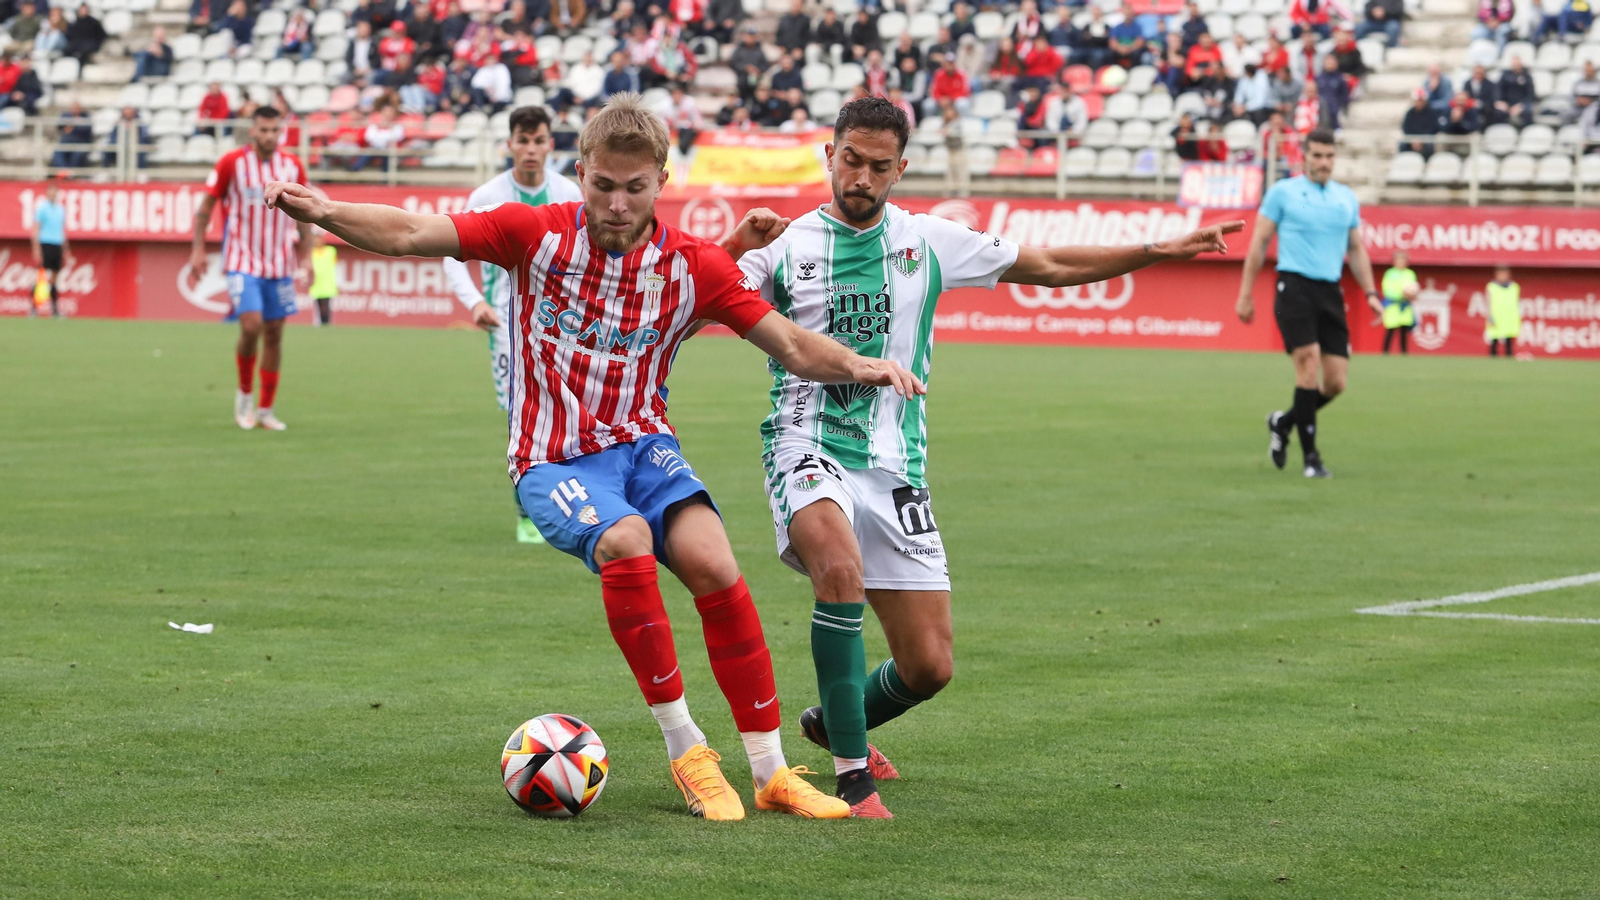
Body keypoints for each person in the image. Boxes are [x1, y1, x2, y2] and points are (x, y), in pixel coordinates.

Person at [264, 94, 924, 822]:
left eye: (634, 188)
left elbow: (794, 344)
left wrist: (859, 364)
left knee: (715, 563)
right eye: (602, 185)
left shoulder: (693, 264)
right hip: (553, 461)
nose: (616, 203)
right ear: (579, 173)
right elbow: (412, 232)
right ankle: (687, 750)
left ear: (660, 181)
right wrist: (325, 211)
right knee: (627, 542)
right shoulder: (531, 233)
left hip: (646, 451)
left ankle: (770, 770)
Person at [732, 97, 1241, 818]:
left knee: (930, 666)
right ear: (830, 154)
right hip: (806, 443)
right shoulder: (785, 246)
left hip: (895, 462)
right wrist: (731, 240)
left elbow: (1052, 263)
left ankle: (833, 721)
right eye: (852, 160)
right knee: (838, 571)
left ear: (900, 169)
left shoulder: (928, 240)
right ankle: (852, 779)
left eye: (880, 167)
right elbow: (703, 293)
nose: (863, 177)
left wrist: (1159, 249)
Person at [440, 106, 582, 544]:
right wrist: (475, 301)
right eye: (523, 141)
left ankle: (574, 500)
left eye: (539, 141)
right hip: (505, 325)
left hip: (561, 325)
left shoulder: (569, 193)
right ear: (510, 145)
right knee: (521, 416)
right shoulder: (487, 195)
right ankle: (526, 513)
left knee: (570, 412)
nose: (531, 150)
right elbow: (450, 251)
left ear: (550, 144)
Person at [1234, 129, 1381, 479]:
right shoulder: (1283, 193)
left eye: (1329, 156)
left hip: (1330, 290)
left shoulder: (1345, 198)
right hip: (1294, 287)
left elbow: (1356, 249)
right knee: (1308, 364)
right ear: (1304, 157)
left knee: (1335, 383)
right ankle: (1311, 459)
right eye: (1317, 155)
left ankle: (1283, 422)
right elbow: (1259, 243)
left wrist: (1372, 293)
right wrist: (1245, 293)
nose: (1324, 162)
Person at [188, 106, 311, 433]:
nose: (269, 136)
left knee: (274, 334)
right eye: (264, 130)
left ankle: (266, 409)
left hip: (280, 262)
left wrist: (308, 256)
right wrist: (198, 248)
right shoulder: (232, 163)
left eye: (275, 130)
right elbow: (206, 206)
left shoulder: (292, 165)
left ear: (280, 132)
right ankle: (244, 395)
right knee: (252, 324)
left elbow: (308, 211)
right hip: (242, 259)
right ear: (253, 131)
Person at [30, 179, 69, 318]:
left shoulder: (61, 209)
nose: (53, 194)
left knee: (54, 279)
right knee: (41, 278)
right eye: (51, 192)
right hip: (45, 244)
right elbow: (36, 229)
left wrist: (66, 251)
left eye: (55, 192)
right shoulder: (42, 208)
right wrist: (36, 249)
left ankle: (54, 310)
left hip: (57, 244)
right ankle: (34, 308)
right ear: (47, 193)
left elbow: (62, 231)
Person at [1380, 250, 1418, 353]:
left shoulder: (1410, 273)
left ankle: (1404, 353)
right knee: (1390, 330)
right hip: (1393, 306)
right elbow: (1387, 290)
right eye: (1398, 260)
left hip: (1405, 306)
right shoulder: (1390, 273)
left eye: (1403, 260)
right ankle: (1385, 353)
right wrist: (1401, 294)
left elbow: (1413, 287)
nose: (1401, 262)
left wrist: (1412, 294)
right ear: (1394, 261)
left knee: (1404, 331)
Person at [1484, 264, 1521, 357]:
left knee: (1509, 341)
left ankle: (1509, 361)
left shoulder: (1514, 287)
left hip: (1509, 318)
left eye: (1504, 274)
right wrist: (1489, 316)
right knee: (1494, 340)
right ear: (1496, 275)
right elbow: (1488, 302)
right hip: (1496, 317)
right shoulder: (1491, 287)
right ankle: (1493, 361)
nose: (1503, 276)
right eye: (1500, 274)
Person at [1400, 88, 1443, 158]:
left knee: (1429, 147)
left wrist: (1421, 140)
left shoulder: (1431, 112)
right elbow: (1405, 128)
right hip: (1412, 140)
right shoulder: (1409, 113)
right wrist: (1412, 140)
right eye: (1418, 100)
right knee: (1402, 145)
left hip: (1426, 140)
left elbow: (1433, 128)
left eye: (1421, 100)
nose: (1419, 102)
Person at [309, 230, 337, 326]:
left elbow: (336, 266)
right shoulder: (311, 253)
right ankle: (318, 324)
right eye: (314, 239)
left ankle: (328, 323)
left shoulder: (331, 251)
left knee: (327, 306)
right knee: (318, 306)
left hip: (328, 284)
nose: (316, 241)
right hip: (316, 284)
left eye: (318, 239)